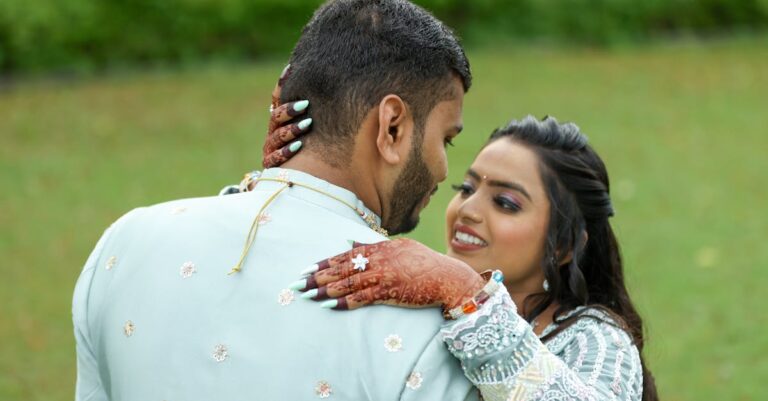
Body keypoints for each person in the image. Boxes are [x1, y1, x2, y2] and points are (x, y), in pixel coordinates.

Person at [72, 1, 485, 400]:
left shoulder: (124, 244)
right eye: (446, 139)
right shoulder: (432, 319)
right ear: (391, 128)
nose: (445, 169)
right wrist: (479, 302)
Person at [249, 108, 659, 400]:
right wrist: (294, 175)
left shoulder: (594, 339)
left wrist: (471, 296)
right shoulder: (426, 295)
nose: (468, 209)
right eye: (466, 188)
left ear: (566, 245)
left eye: (506, 203)